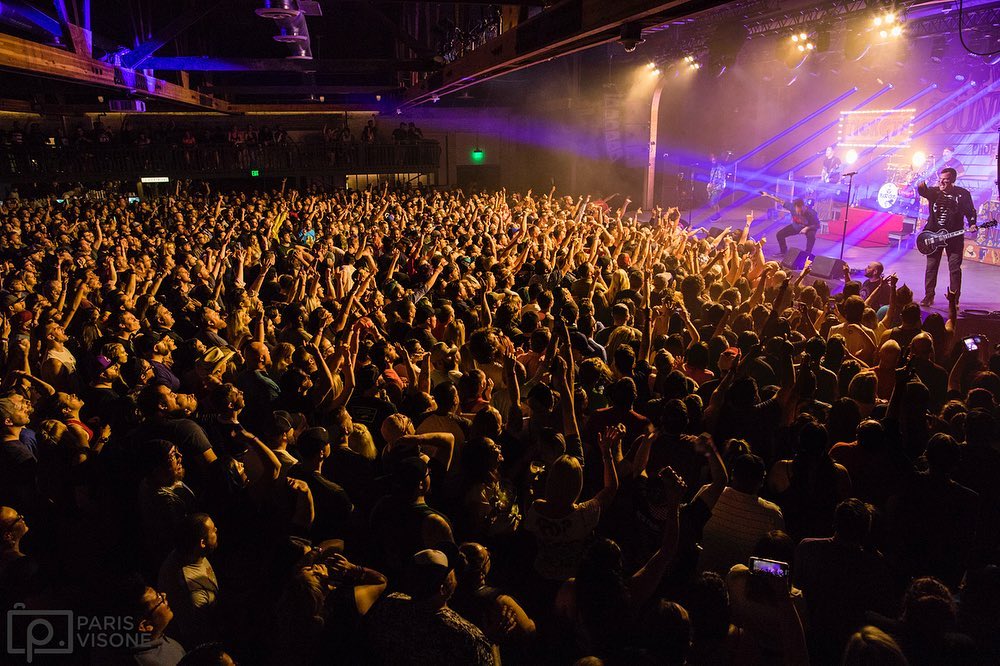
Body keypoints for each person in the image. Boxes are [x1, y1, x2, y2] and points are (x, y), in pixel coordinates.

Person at [365, 544, 496, 665]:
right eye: (451, 571)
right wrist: (491, 643)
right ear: (442, 588)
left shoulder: (390, 604)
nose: (455, 572)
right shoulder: (467, 637)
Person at [917, 167, 977, 306]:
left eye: (946, 180)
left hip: (954, 237)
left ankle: (954, 299)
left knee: (955, 268)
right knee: (931, 267)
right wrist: (921, 184)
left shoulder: (963, 194)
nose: (942, 183)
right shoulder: (934, 192)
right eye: (940, 180)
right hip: (933, 235)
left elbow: (970, 211)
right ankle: (929, 296)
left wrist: (972, 223)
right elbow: (922, 191)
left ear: (953, 180)